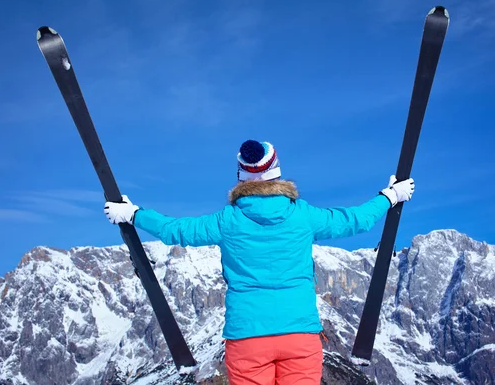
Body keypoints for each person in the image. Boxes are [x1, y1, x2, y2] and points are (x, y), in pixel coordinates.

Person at [103, 140, 415, 385]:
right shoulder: (303, 215)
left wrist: (134, 214)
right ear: (276, 172)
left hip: (247, 338)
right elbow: (355, 221)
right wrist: (389, 196)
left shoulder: (228, 221)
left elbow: (176, 231)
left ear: (242, 176)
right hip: (300, 336)